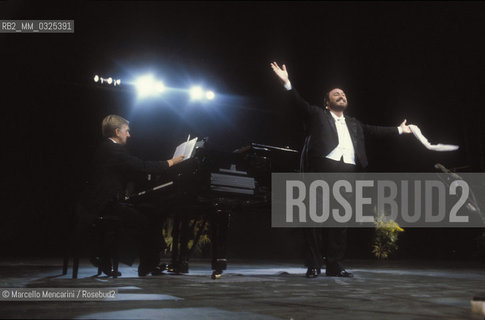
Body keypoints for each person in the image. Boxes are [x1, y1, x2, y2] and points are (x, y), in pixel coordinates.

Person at [270, 62, 412, 277]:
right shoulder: (318, 115)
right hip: (321, 170)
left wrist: (399, 131)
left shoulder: (355, 124)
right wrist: (287, 83)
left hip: (347, 173)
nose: (341, 95)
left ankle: (335, 265)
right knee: (314, 221)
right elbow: (298, 105)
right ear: (327, 103)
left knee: (339, 223)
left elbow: (376, 131)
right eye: (336, 94)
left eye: (343, 93)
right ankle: (314, 265)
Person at [80, 114, 184, 277]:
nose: (129, 135)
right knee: (145, 221)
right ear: (117, 131)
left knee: (147, 215)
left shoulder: (106, 148)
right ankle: (145, 264)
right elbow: (141, 166)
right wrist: (172, 162)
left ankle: (138, 262)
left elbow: (130, 171)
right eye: (127, 131)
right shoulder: (112, 149)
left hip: (104, 202)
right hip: (103, 204)